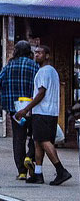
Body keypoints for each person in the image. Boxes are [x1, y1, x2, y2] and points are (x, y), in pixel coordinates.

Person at [14, 45, 72, 185]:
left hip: (43, 113)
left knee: (45, 142)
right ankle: (38, 174)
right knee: (37, 142)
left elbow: (41, 93)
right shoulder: (52, 71)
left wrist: (25, 109)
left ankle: (61, 170)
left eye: (40, 53)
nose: (36, 55)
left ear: (47, 56)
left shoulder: (44, 72)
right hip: (50, 112)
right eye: (35, 53)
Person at [0, 40, 39, 180]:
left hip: (15, 110)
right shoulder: (34, 66)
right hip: (31, 108)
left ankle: (22, 172)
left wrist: (0, 100)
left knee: (18, 139)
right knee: (35, 135)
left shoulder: (9, 66)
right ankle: (29, 156)